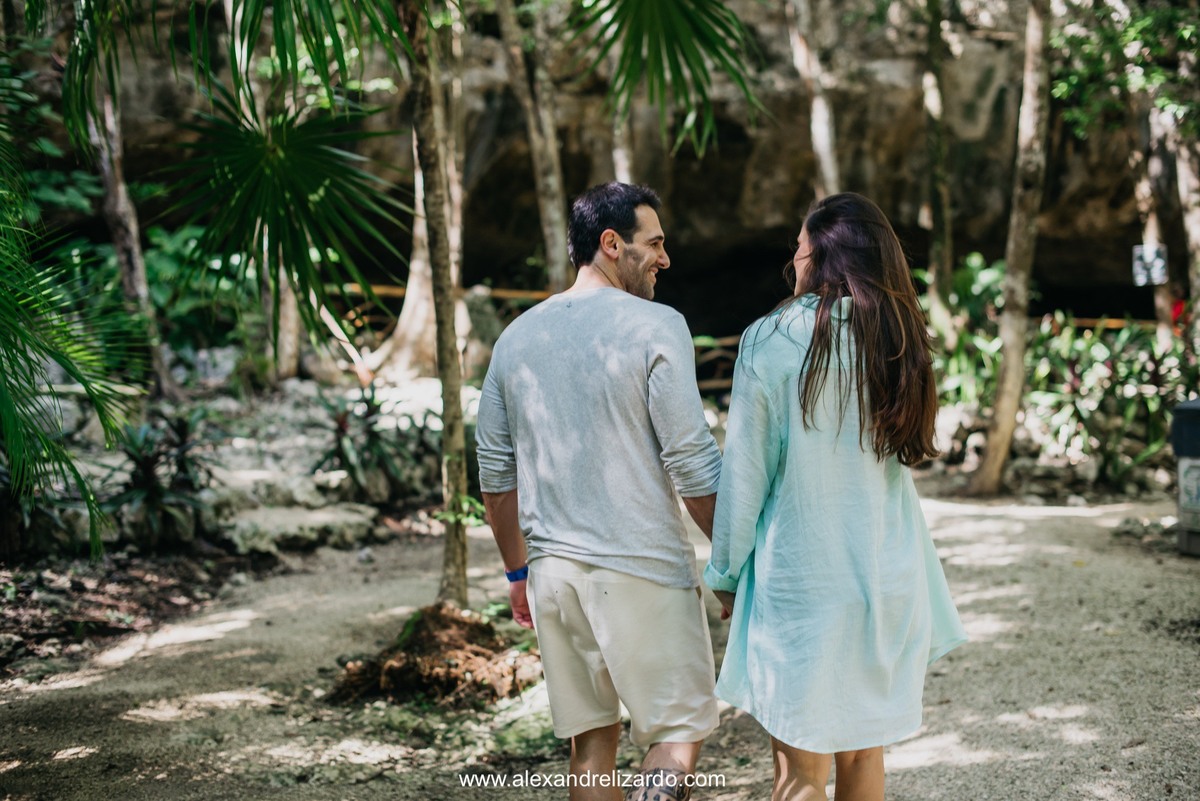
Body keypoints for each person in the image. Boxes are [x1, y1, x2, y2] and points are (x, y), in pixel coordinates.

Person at [704, 193, 967, 801]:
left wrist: (724, 571)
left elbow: (747, 474)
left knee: (800, 776)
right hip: (884, 581)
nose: (792, 267)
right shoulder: (899, 340)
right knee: (861, 757)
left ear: (820, 259)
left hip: (805, 588)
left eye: (798, 253)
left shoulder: (771, 339)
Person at [476, 182, 723, 801]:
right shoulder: (657, 325)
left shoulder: (516, 337)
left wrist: (516, 575)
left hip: (553, 579)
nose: (665, 259)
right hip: (640, 568)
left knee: (592, 746)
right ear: (611, 245)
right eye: (655, 244)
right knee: (677, 735)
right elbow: (691, 462)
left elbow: (495, 476)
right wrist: (736, 556)